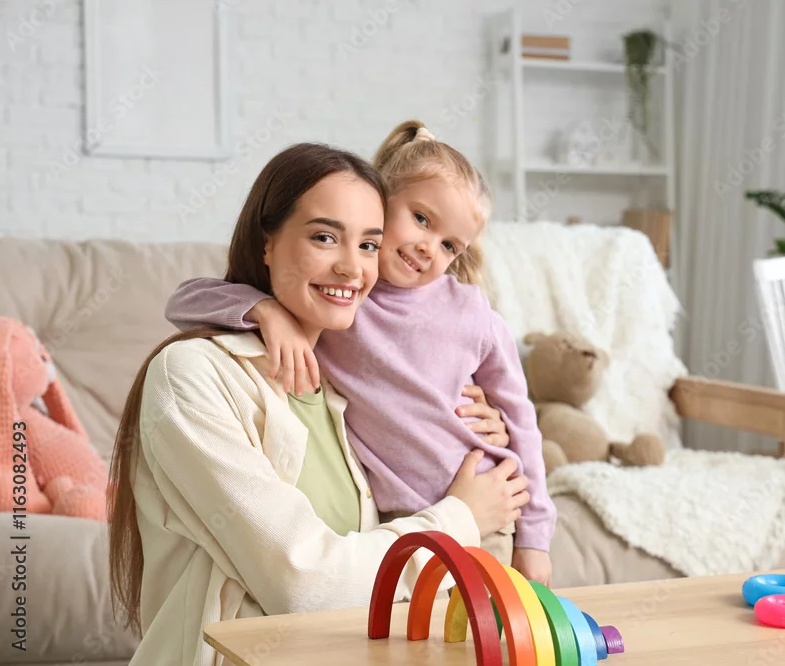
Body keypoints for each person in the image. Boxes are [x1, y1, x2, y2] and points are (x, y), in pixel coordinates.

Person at [107, 143, 531, 666]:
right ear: (267, 242)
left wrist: (474, 420)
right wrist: (461, 516)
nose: (352, 268)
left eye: (369, 244)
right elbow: (303, 583)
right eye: (324, 237)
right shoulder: (193, 374)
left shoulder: (342, 384)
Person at [165, 120, 556, 584]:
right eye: (421, 219)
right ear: (381, 203)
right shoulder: (344, 300)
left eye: (450, 245)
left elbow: (520, 420)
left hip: (485, 510)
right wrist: (265, 311)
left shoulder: (472, 314)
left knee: (488, 628)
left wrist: (535, 539)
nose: (428, 248)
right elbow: (185, 300)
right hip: (393, 519)